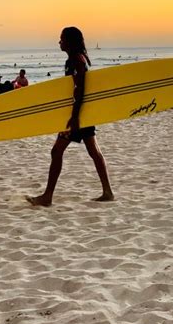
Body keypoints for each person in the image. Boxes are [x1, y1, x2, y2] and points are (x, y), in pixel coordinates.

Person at [26, 27, 114, 207]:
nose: (59, 42)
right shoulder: (79, 59)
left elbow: (79, 89)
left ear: (70, 41)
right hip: (84, 113)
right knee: (94, 151)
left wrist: (74, 117)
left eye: (62, 39)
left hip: (78, 115)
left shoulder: (76, 61)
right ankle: (107, 191)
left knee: (56, 151)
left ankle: (47, 197)